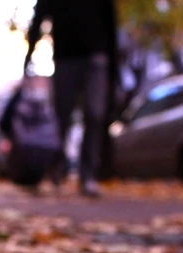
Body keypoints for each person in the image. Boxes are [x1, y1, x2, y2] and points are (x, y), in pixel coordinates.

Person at [24, 0, 118, 197]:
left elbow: (110, 23)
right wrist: (29, 54)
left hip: (96, 57)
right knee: (61, 116)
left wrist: (113, 70)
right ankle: (56, 170)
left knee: (94, 115)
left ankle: (88, 176)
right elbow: (40, 17)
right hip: (65, 57)